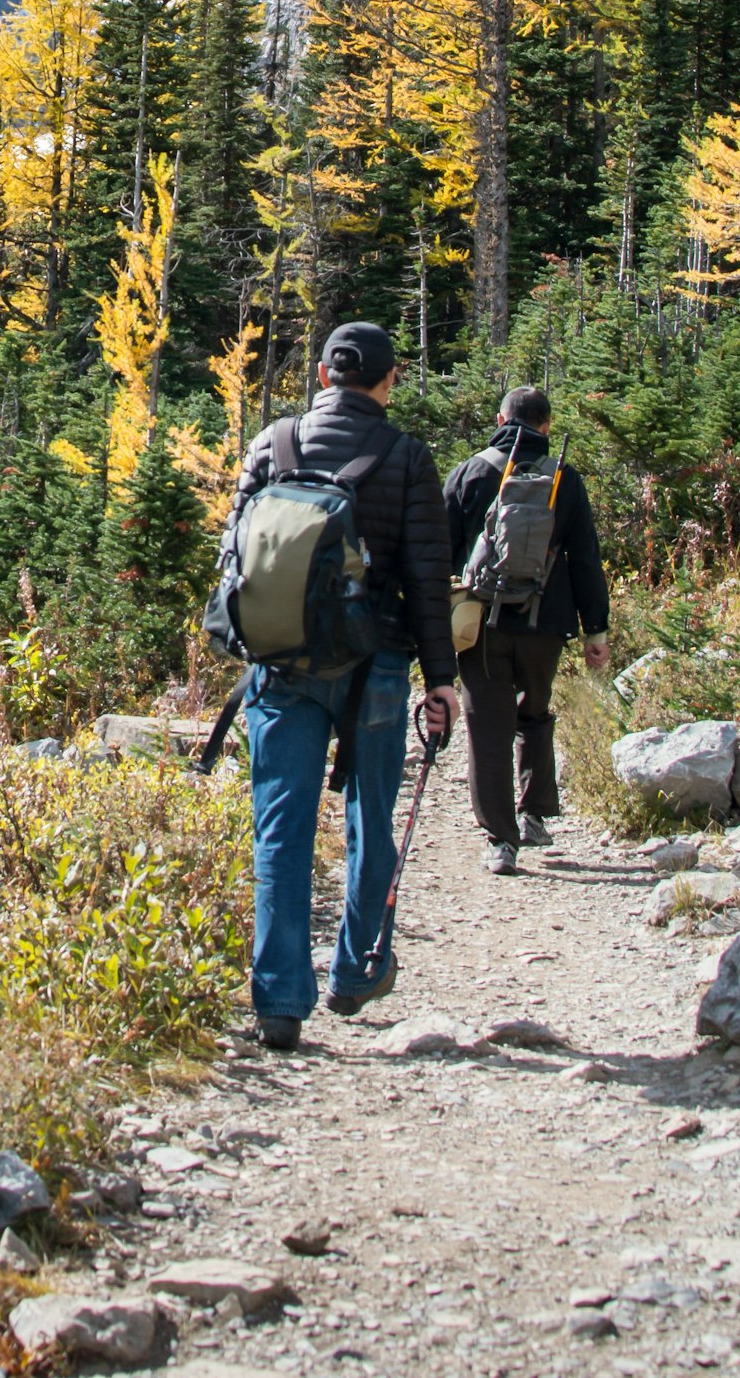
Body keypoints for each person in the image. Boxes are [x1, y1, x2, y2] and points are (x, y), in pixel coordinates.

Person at [226, 320, 456, 1050]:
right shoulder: (407, 456)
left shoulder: (272, 443)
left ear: (324, 375)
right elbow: (426, 578)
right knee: (370, 816)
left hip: (282, 665)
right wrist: (443, 680)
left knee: (281, 825)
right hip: (377, 664)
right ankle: (356, 968)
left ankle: (279, 1001)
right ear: (388, 382)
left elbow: (235, 553)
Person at [443, 384, 608, 875]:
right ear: (547, 425)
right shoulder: (566, 478)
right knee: (533, 712)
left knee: (487, 726)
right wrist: (594, 630)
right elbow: (585, 558)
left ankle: (501, 840)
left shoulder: (471, 472)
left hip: (482, 623)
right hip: (546, 621)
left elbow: (439, 548)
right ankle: (534, 813)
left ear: (501, 419)